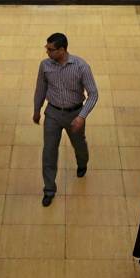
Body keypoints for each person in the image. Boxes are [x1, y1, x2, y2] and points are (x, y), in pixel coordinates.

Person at [33, 32, 98, 207]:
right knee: (49, 151)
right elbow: (40, 89)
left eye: (50, 49)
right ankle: (49, 189)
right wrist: (37, 109)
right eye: (47, 48)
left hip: (74, 114)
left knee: (79, 144)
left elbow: (93, 94)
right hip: (52, 114)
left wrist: (81, 116)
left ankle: (82, 163)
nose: (47, 52)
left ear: (62, 50)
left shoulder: (81, 66)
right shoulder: (45, 65)